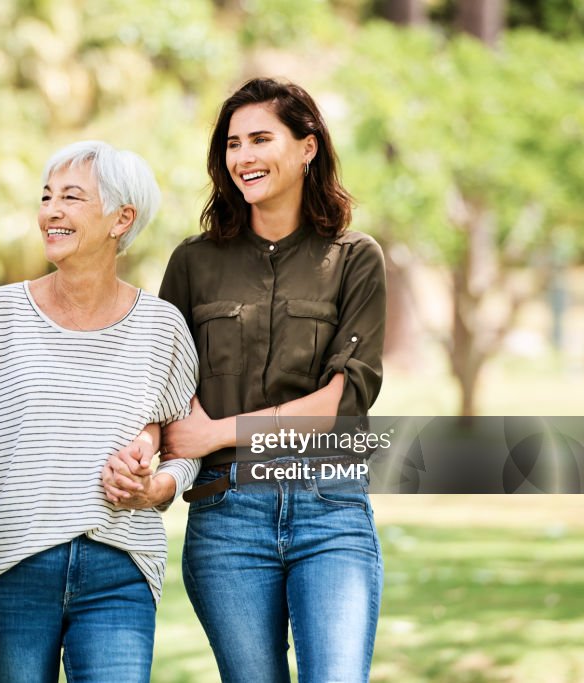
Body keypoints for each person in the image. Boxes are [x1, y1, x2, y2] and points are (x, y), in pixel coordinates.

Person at [0, 140, 198, 682]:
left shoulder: (163, 327)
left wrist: (158, 487)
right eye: (47, 197)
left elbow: (182, 443)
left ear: (121, 218)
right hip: (7, 570)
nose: (51, 211)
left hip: (119, 571)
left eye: (72, 198)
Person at [159, 78, 386, 682]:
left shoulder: (356, 258)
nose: (244, 157)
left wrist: (215, 434)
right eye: (233, 143)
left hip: (329, 506)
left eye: (261, 138)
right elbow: (165, 394)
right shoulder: (192, 263)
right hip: (226, 516)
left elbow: (335, 408)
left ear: (308, 147)